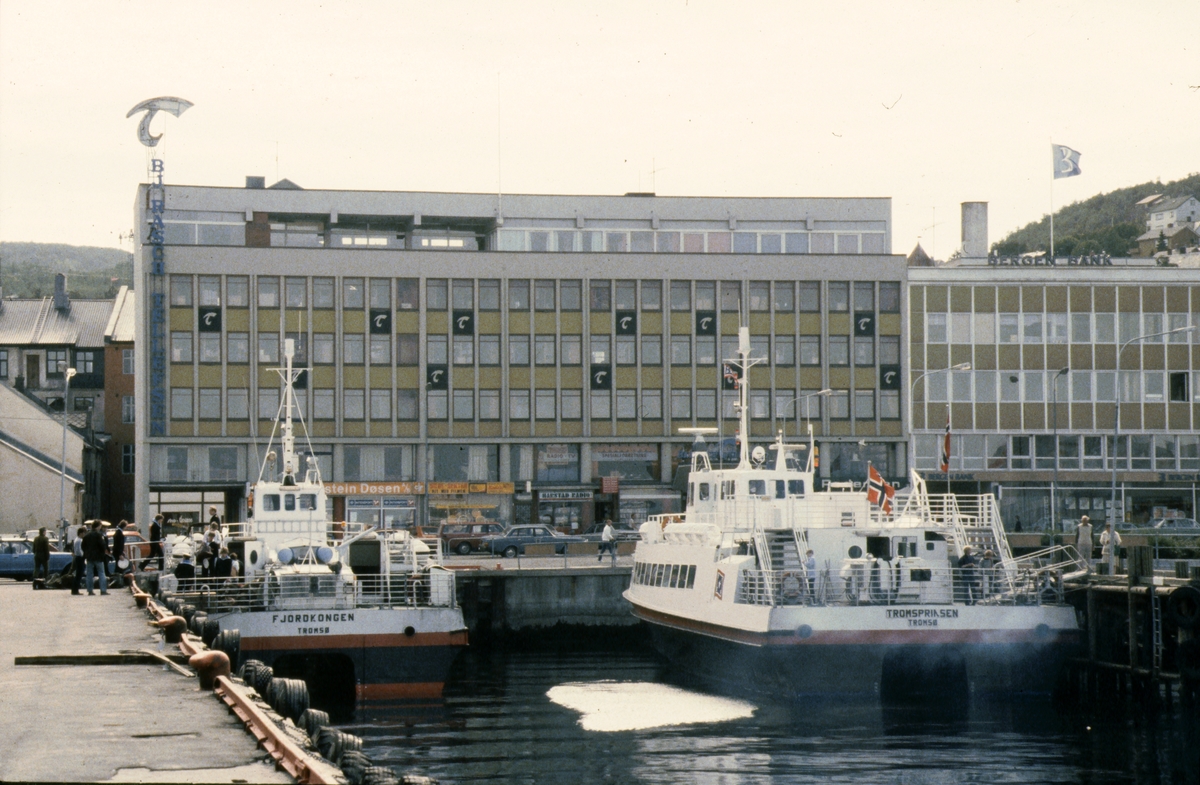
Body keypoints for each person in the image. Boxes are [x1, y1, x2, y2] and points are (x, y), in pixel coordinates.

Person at [81, 521, 109, 596]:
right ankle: (103, 590)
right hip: (98, 557)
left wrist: (87, 553)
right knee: (101, 573)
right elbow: (103, 545)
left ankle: (90, 590)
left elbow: (83, 546)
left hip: (89, 557)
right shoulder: (98, 535)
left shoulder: (87, 535)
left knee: (89, 574)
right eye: (100, 526)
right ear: (98, 526)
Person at [70, 526, 87, 595]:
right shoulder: (79, 540)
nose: (84, 534)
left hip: (77, 557)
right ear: (81, 533)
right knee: (79, 574)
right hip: (80, 558)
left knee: (78, 574)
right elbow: (79, 550)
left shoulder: (76, 539)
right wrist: (83, 555)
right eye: (84, 533)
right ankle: (75, 590)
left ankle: (75, 589)